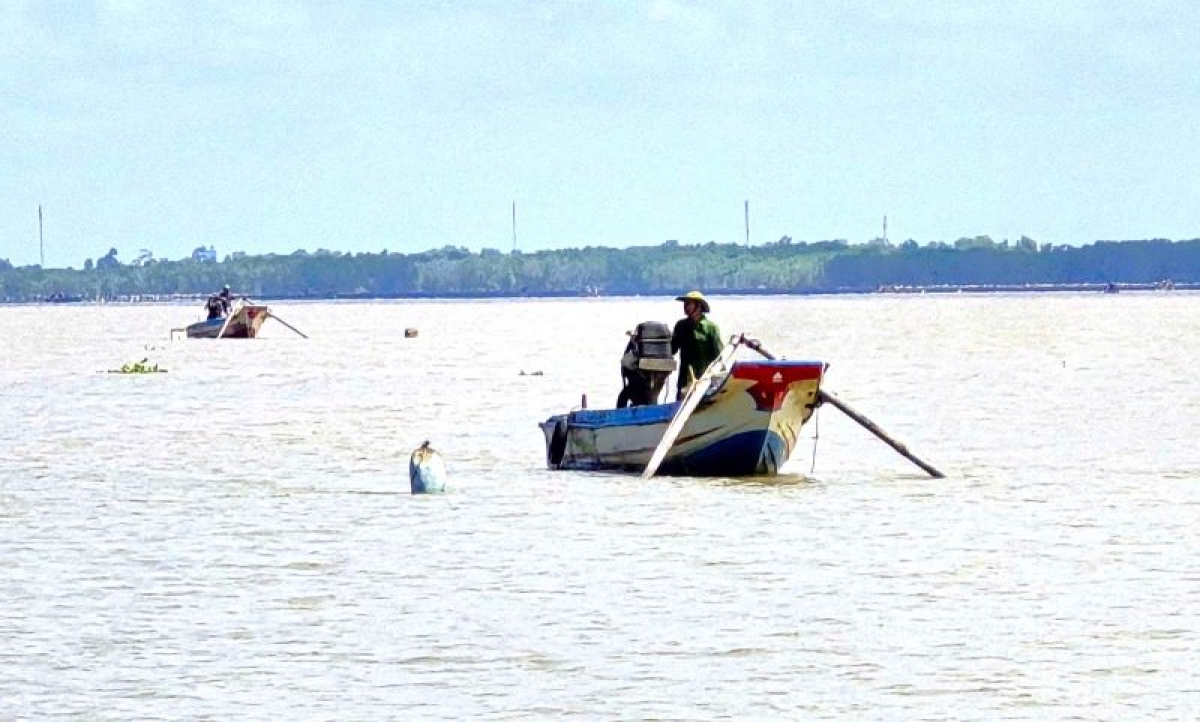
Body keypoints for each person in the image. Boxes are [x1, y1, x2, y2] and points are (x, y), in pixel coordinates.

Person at [670, 290, 723, 400]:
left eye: (688, 304)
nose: (685, 307)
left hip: (705, 379)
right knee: (681, 405)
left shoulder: (710, 328)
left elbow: (719, 356)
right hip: (685, 379)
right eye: (685, 304)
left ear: (698, 306)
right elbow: (672, 349)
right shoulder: (681, 326)